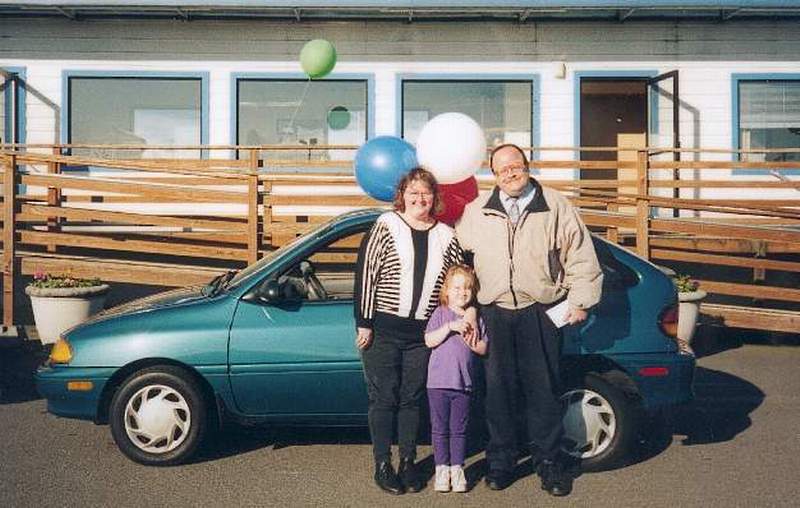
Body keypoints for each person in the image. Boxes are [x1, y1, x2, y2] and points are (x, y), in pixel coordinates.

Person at [455, 143, 603, 497]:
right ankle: (501, 462)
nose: (510, 173)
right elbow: (461, 262)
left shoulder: (555, 205)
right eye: (502, 169)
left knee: (543, 393)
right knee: (498, 393)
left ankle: (550, 465)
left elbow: (580, 256)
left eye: (516, 166)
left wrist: (580, 300)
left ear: (527, 165)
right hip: (495, 311)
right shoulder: (477, 211)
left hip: (541, 312)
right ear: (493, 174)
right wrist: (469, 306)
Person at [354, 167, 464, 495]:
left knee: (411, 400)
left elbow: (458, 280)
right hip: (384, 330)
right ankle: (383, 464)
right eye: (413, 192)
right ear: (402, 195)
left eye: (426, 193)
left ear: (435, 198)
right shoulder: (387, 225)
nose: (420, 198)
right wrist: (364, 321)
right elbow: (367, 273)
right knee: (383, 398)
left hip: (422, 334)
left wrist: (462, 316)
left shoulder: (446, 235)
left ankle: (408, 462)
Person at [424, 264, 488, 493]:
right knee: (440, 429)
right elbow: (429, 340)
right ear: (447, 291)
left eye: (467, 288)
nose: (462, 292)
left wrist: (475, 343)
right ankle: (442, 469)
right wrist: (450, 327)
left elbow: (484, 347)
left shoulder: (475, 318)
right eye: (457, 287)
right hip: (438, 383)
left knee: (459, 429)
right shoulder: (441, 313)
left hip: (463, 384)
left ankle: (457, 469)